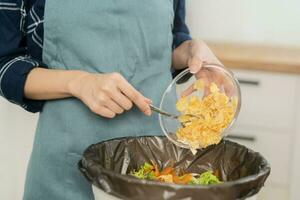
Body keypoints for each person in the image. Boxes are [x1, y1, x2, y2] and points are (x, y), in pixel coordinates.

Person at [0, 0, 222, 199]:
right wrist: (78, 82)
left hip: (162, 162)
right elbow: (5, 63)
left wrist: (190, 50)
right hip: (68, 163)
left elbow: (167, 45)